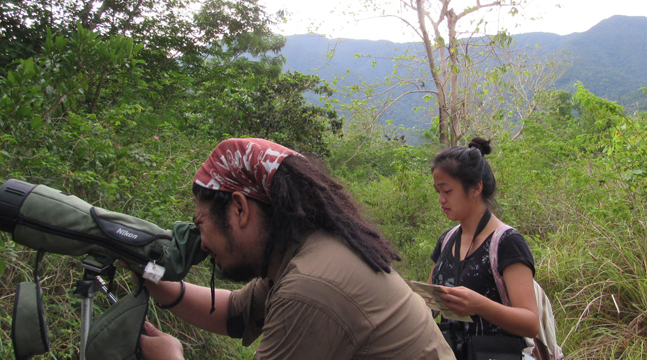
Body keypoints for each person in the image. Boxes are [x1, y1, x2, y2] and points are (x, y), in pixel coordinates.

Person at [137, 138, 455, 360]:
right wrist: (155, 281)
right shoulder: (299, 254)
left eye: (202, 223)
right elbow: (235, 313)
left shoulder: (310, 286)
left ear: (239, 210)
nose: (201, 241)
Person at [429, 137, 539, 359]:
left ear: (476, 187)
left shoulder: (507, 242)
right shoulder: (447, 240)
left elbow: (531, 322)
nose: (441, 199)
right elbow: (429, 303)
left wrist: (479, 305)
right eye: (437, 192)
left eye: (447, 191)